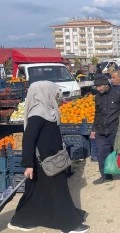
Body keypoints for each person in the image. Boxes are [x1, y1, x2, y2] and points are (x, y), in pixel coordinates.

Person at [8, 81, 88, 233]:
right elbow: (29, 139)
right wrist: (28, 164)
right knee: (59, 190)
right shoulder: (37, 113)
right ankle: (68, 223)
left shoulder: (47, 109)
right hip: (44, 161)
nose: (56, 95)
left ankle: (21, 220)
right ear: (44, 93)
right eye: (53, 91)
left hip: (53, 158)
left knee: (36, 192)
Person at [91, 75, 120, 185]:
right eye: (96, 87)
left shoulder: (118, 93)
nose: (98, 89)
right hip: (101, 130)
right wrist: (93, 129)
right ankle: (105, 176)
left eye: (100, 86)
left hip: (115, 129)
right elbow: (97, 113)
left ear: (106, 85)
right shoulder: (97, 97)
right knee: (101, 154)